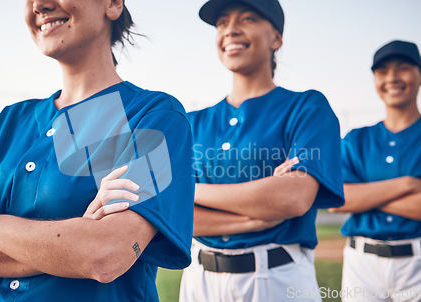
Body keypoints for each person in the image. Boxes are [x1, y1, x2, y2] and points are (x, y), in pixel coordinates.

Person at [0, 0, 194, 301]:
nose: (40, 5)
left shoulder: (154, 117)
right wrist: (76, 242)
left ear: (113, 4)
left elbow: (105, 255)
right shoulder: (8, 122)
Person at [179, 0, 345, 301]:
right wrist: (253, 216)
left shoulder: (307, 108)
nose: (230, 30)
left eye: (248, 18)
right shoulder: (191, 123)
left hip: (278, 279)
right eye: (222, 23)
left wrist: (187, 189)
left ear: (277, 38)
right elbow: (174, 212)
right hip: (199, 281)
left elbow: (293, 198)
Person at [330, 40, 421, 302]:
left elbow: (350, 198)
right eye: (382, 72)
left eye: (403, 68)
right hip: (362, 264)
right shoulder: (356, 139)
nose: (392, 77)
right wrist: (408, 185)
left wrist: (365, 198)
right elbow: (338, 199)